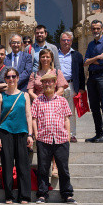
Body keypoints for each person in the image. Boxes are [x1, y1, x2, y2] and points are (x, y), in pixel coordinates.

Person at [32, 74, 77, 204]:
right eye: (45, 82)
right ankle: (42, 194)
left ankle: (67, 194)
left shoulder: (62, 100)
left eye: (50, 82)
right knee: (43, 168)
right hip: (43, 139)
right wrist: (37, 135)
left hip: (61, 138)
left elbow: (67, 119)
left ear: (55, 83)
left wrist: (68, 136)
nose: (47, 84)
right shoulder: (38, 101)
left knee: (63, 168)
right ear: (42, 85)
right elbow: (34, 119)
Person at [27, 48, 68, 178]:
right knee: (43, 136)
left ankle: (55, 166)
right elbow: (30, 90)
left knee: (54, 136)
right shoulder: (35, 73)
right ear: (39, 59)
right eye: (43, 56)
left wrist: (52, 97)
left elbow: (61, 87)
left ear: (51, 59)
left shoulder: (56, 72)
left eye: (47, 57)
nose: (45, 59)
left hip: (54, 104)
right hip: (39, 104)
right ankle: (44, 165)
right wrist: (39, 98)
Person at [0, 68, 34, 204]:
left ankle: (24, 196)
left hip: (22, 132)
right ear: (5, 79)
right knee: (7, 165)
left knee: (23, 165)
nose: (11, 79)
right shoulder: (1, 96)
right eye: (8, 77)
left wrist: (30, 134)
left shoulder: (25, 96)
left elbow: (29, 116)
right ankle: (9, 195)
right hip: (5, 132)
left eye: (13, 76)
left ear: (18, 78)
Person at [84, 20, 103, 143]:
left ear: (102, 29)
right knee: (94, 107)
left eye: (97, 28)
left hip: (102, 76)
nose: (95, 31)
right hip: (91, 78)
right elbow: (85, 62)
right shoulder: (90, 44)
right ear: (91, 30)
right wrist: (97, 57)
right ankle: (98, 133)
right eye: (93, 29)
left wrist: (92, 60)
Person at [58, 31, 86, 143]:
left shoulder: (77, 55)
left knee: (71, 111)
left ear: (71, 41)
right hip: (58, 85)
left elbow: (81, 72)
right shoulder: (55, 54)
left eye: (68, 40)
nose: (66, 42)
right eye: (63, 40)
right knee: (57, 110)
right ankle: (59, 132)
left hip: (71, 85)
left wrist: (82, 87)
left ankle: (72, 134)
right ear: (60, 41)